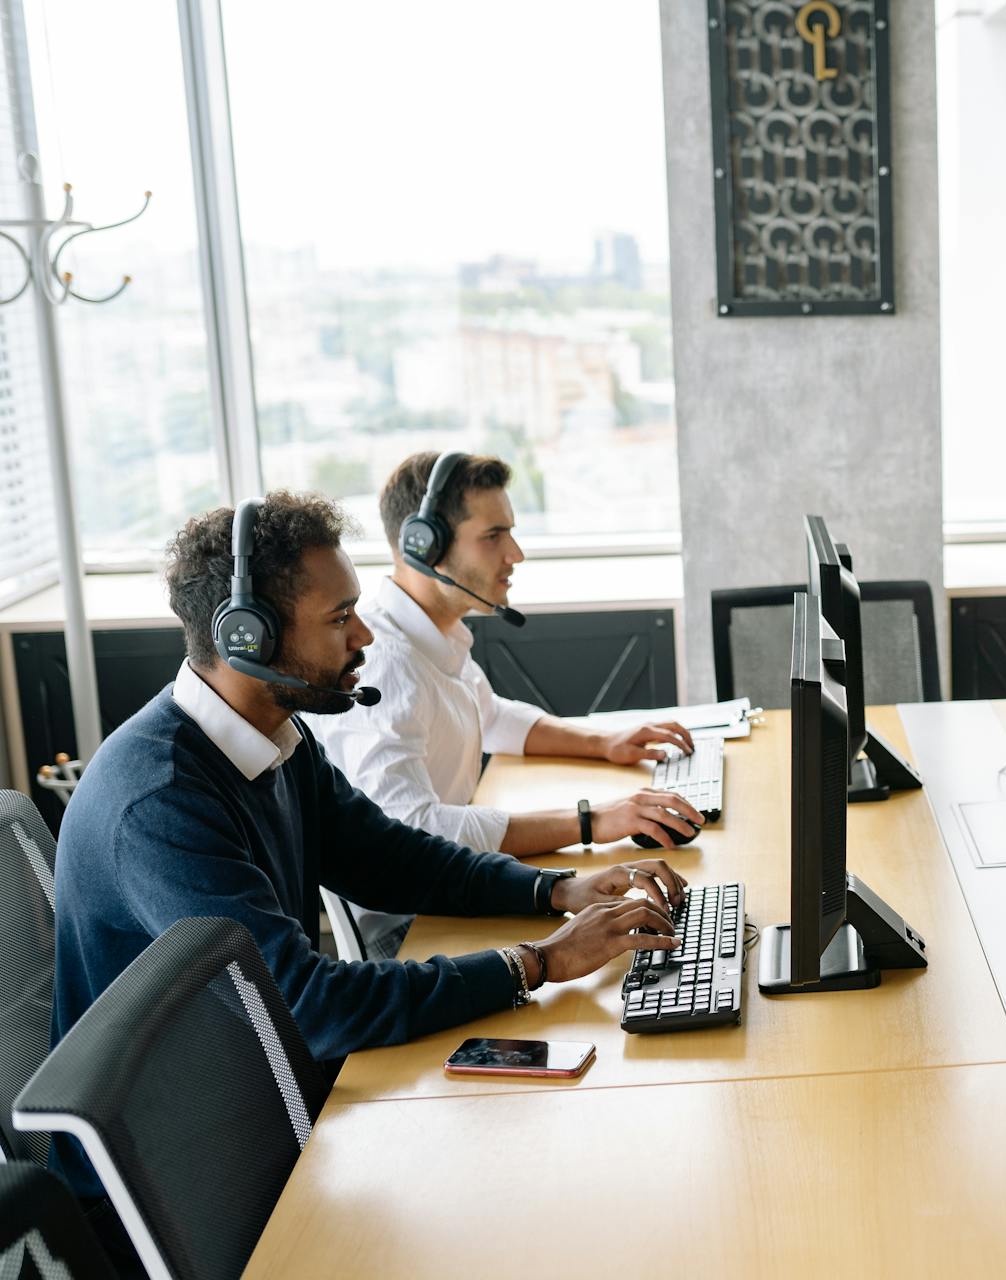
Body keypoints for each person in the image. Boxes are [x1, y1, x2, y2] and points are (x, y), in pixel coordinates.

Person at [51, 492, 687, 1203]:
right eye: (338, 619)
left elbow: (389, 858)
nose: (364, 636)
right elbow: (307, 1006)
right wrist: (538, 963)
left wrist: (551, 892)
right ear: (248, 639)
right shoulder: (162, 803)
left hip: (256, 1093)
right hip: (185, 1171)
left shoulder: (275, 737)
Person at [308, 452, 704, 956]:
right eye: (493, 536)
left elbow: (490, 715)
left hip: (453, 889)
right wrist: (592, 821)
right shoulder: (386, 662)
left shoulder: (431, 634)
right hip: (411, 931)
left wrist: (607, 743)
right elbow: (415, 831)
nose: (514, 554)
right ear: (422, 543)